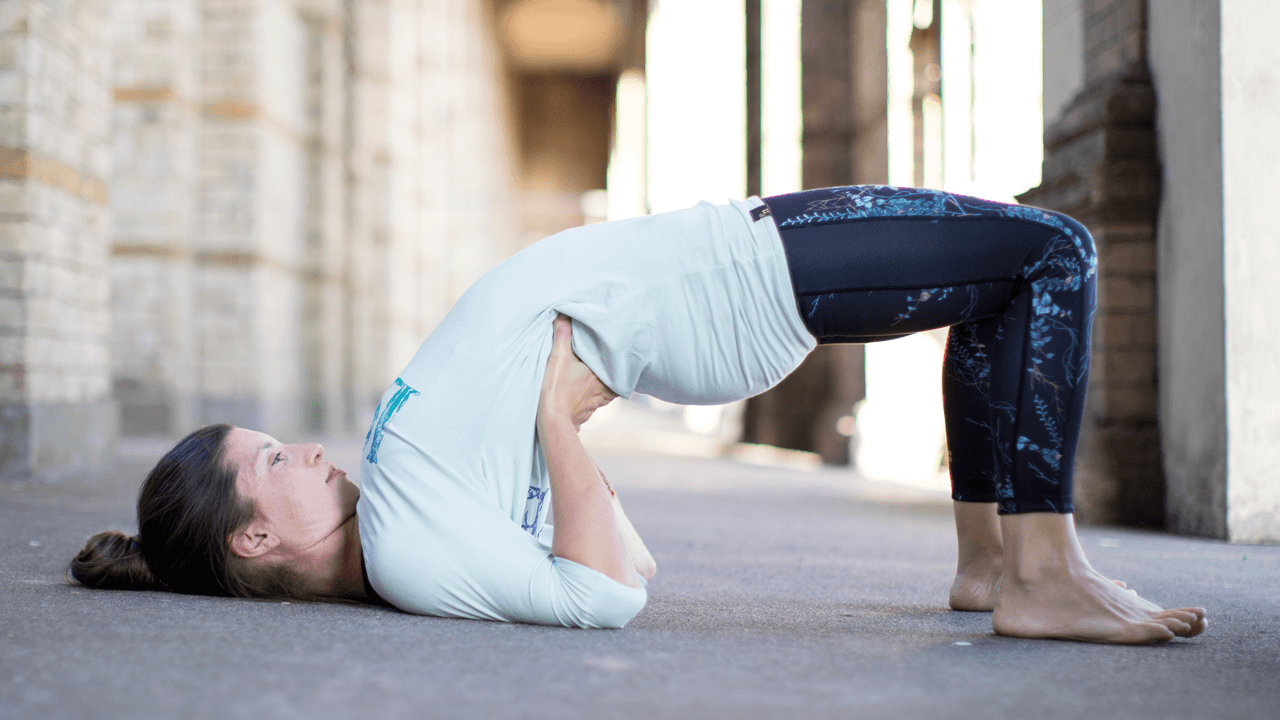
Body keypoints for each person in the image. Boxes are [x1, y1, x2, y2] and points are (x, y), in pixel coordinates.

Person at [70, 185, 1206, 643]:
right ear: (253, 537)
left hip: (724, 257)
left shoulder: (410, 513)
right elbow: (609, 594)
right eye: (272, 459)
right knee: (1054, 255)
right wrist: (560, 427)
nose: (307, 449)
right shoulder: (409, 549)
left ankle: (991, 566)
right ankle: (1042, 574)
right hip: (733, 279)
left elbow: (623, 554)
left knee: (997, 290)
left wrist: (553, 430)